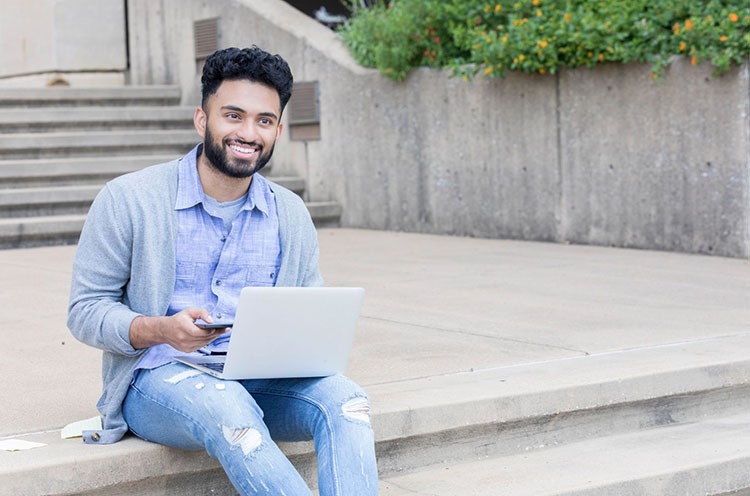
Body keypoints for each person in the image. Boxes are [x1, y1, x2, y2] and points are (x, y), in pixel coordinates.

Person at [67, 46, 378, 495]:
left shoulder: (289, 213)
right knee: (230, 407)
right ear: (202, 119)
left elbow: (310, 308)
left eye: (264, 121)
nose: (248, 133)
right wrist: (159, 329)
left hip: (259, 381)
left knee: (346, 402)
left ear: (277, 129)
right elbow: (85, 310)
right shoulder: (129, 200)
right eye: (233, 115)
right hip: (157, 381)